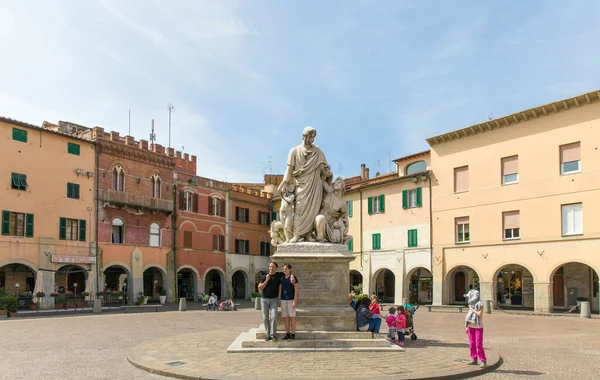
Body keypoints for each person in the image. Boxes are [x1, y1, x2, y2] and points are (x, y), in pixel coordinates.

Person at [278, 127, 329, 243]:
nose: (311, 140)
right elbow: (289, 169)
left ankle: (308, 235)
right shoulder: (294, 151)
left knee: (313, 210)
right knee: (299, 208)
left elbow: (325, 166)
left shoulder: (318, 152)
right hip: (301, 185)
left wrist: (326, 172)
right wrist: (285, 181)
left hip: (314, 185)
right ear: (304, 136)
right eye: (310, 137)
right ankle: (297, 234)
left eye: (313, 137)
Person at [258, 262, 283, 341]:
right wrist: (266, 280)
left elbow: (288, 272)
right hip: (264, 299)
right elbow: (260, 288)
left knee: (274, 317)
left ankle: (273, 335)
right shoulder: (264, 275)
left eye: (273, 267)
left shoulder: (279, 275)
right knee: (265, 317)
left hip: (274, 299)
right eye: (270, 266)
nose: (271, 268)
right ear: (268, 267)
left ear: (276, 268)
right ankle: (268, 334)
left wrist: (292, 276)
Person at [465, 290, 487, 368]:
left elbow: (479, 313)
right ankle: (474, 359)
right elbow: (468, 316)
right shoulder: (471, 304)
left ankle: (483, 360)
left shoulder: (480, 303)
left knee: (478, 344)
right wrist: (467, 326)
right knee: (472, 344)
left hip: (478, 326)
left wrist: (471, 309)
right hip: (471, 326)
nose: (469, 298)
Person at [280, 263, 299, 340]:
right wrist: (279, 299)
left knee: (292, 317)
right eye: (283, 269)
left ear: (290, 269)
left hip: (291, 299)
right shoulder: (281, 278)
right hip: (283, 299)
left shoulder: (294, 278)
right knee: (285, 318)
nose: (284, 270)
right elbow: (280, 289)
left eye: (286, 269)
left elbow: (296, 290)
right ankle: (287, 333)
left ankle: (293, 334)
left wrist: (295, 301)